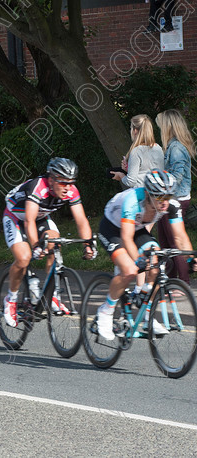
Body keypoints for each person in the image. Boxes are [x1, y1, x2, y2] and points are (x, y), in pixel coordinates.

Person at [95, 170, 193, 340]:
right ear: (148, 194)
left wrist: (191, 258)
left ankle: (147, 314)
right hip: (113, 229)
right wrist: (138, 260)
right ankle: (105, 311)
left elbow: (179, 236)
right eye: (159, 197)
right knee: (130, 270)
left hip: (138, 229)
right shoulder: (132, 200)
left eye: (168, 196)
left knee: (156, 264)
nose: (164, 202)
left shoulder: (171, 204)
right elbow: (126, 237)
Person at [1, 158, 95, 328]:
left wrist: (87, 244)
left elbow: (81, 220)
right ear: (51, 180)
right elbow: (29, 220)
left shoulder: (71, 191)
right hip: (16, 217)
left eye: (71, 183)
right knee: (23, 258)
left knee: (54, 242)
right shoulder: (38, 187)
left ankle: (52, 295)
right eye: (63, 183)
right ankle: (11, 300)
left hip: (40, 217)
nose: (68, 187)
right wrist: (36, 245)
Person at [155, 109, 196, 280]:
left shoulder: (177, 148)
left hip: (174, 199)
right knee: (165, 243)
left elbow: (177, 176)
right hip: (169, 198)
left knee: (174, 243)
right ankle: (170, 281)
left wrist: (161, 185)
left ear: (168, 127)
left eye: (161, 126)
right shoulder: (173, 146)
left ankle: (183, 282)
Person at [111, 114, 164, 188]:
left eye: (131, 128)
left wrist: (121, 175)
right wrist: (129, 170)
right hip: (158, 193)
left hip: (142, 194)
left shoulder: (136, 151)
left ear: (135, 130)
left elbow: (131, 182)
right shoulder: (158, 148)